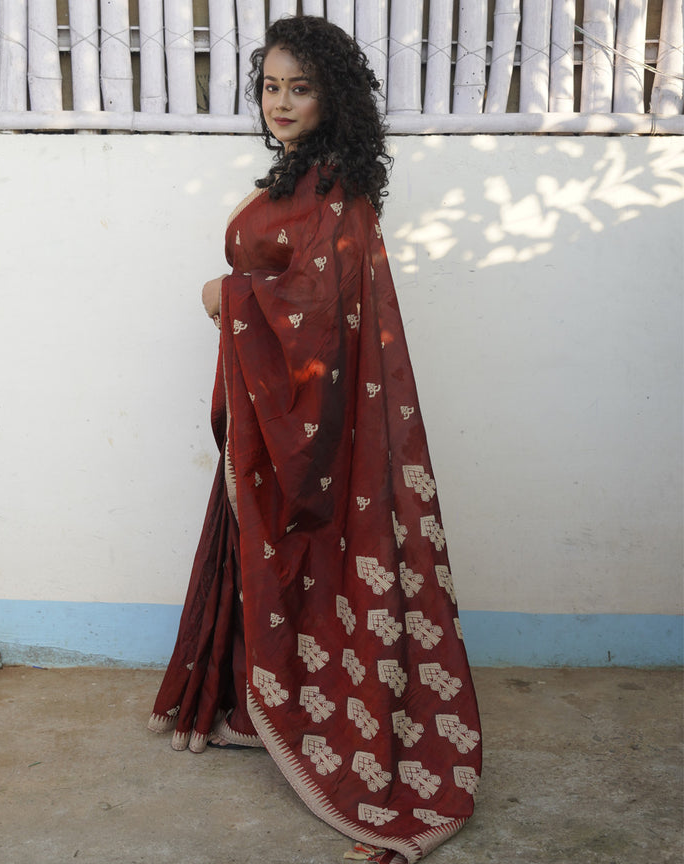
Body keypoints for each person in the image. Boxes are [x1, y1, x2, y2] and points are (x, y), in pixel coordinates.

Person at [148, 15, 481, 864]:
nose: (282, 102)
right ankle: (250, 701)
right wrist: (243, 296)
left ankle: (315, 713)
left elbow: (321, 316)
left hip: (310, 432)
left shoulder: (336, 191)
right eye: (271, 86)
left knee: (306, 547)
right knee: (252, 534)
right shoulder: (301, 180)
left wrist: (232, 300)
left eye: (301, 87)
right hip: (266, 418)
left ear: (332, 97)